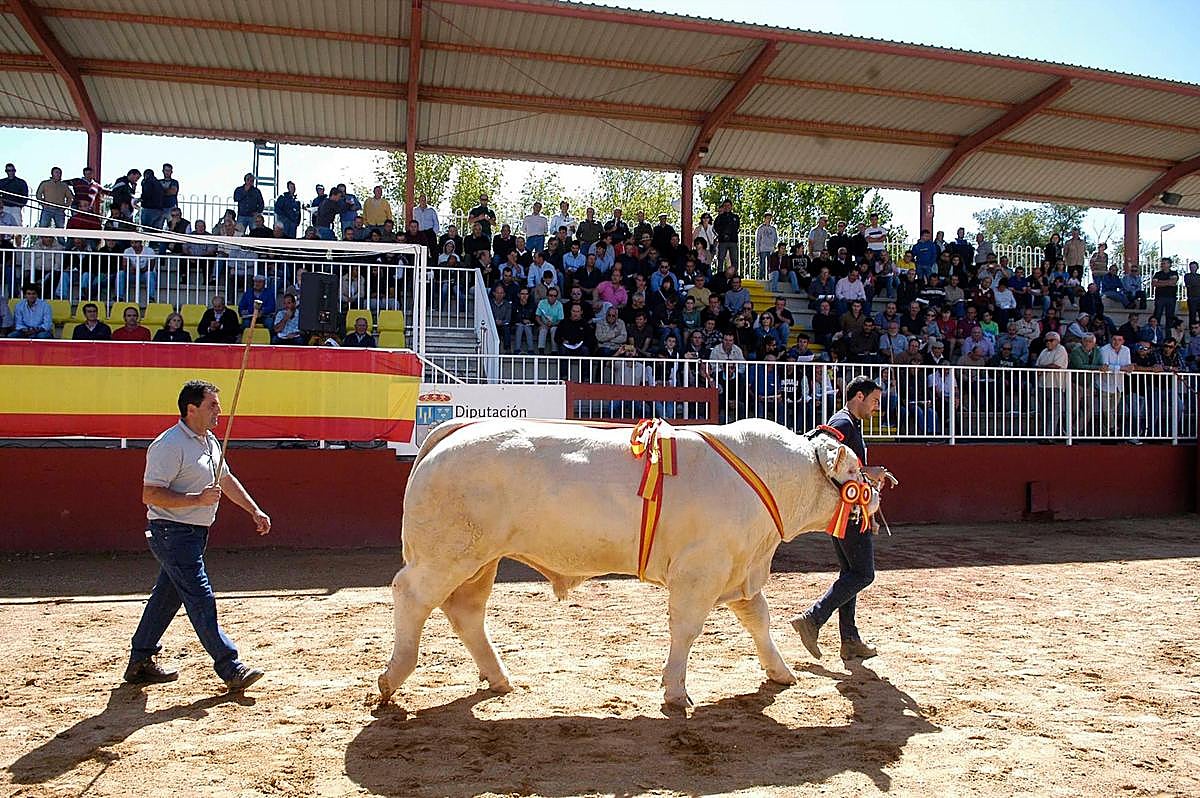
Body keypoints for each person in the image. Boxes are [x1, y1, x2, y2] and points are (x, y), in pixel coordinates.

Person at [125, 380, 270, 691]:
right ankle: (230, 666)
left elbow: (226, 480)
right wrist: (196, 500)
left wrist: (254, 510)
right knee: (200, 597)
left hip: (190, 534)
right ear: (192, 409)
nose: (219, 411)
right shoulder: (169, 444)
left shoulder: (210, 442)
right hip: (171, 533)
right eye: (212, 405)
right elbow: (149, 494)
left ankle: (140, 659)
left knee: (166, 596)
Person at [790, 376, 892, 661]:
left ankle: (850, 639)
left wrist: (871, 473)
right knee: (863, 574)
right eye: (874, 401)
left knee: (851, 574)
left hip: (847, 511)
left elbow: (850, 467)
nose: (876, 407)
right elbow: (831, 463)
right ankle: (812, 619)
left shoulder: (847, 422)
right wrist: (869, 472)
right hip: (848, 513)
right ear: (858, 396)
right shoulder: (843, 424)